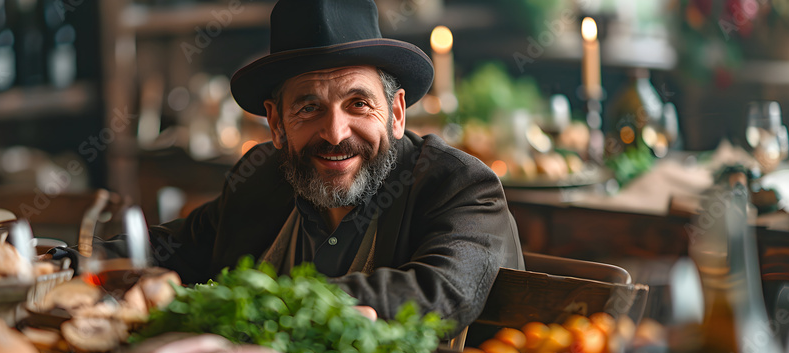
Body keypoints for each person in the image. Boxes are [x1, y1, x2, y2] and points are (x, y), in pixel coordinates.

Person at [97, 0, 523, 335]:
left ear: (396, 114)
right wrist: (67, 260)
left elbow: (438, 291)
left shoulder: (460, 187)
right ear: (277, 124)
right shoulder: (263, 177)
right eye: (309, 107)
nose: (335, 133)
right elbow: (176, 246)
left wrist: (256, 301)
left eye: (358, 103)